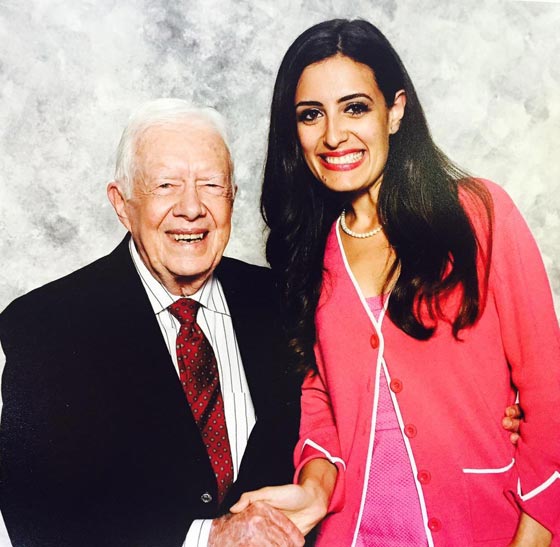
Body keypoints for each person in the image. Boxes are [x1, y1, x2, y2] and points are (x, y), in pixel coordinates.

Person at [231, 19, 560, 547]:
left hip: (485, 527)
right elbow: (321, 399)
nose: (333, 135)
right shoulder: (308, 253)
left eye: (355, 107)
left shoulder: (479, 215)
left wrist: (535, 536)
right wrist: (315, 485)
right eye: (311, 114)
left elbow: (549, 389)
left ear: (396, 110)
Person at [0, 99, 305, 547]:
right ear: (122, 204)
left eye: (211, 184)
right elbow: (40, 516)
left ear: (232, 197)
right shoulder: (47, 328)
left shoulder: (286, 301)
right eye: (166, 185)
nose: (191, 208)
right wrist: (207, 537)